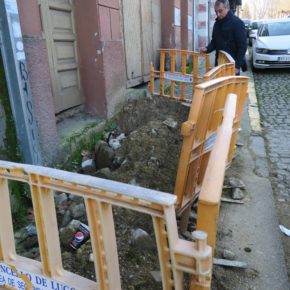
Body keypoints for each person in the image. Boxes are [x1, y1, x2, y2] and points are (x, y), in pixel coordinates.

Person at [200, 0, 247, 75]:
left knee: (231, 87)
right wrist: (207, 49)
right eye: (216, 12)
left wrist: (237, 66)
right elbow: (214, 42)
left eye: (220, 11)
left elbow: (243, 47)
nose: (218, 14)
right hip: (219, 64)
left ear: (227, 8)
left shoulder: (237, 23)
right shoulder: (216, 24)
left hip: (232, 67)